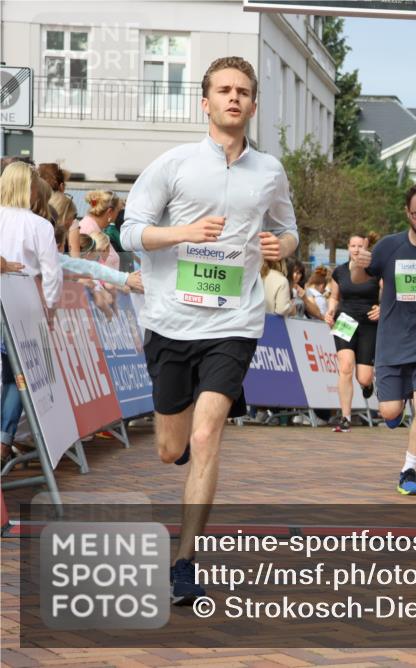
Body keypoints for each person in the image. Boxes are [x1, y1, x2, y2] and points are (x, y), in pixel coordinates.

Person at [120, 56, 298, 605]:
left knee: (206, 436)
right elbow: (129, 232)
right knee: (171, 447)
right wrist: (183, 233)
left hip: (235, 322)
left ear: (251, 103)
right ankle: (187, 456)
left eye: (244, 91)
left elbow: (289, 230)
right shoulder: (173, 165)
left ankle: (185, 560)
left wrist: (280, 246)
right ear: (206, 102)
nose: (234, 98)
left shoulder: (269, 171)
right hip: (172, 320)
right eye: (224, 90)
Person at [351, 182, 416, 496]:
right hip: (392, 340)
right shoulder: (388, 246)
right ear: (406, 213)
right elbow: (360, 280)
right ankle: (399, 407)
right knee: (390, 412)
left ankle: (408, 469)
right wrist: (358, 266)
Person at [0, 163, 64, 463]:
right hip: (22, 307)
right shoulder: (39, 226)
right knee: (17, 378)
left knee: (11, 377)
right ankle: (3, 439)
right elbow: (52, 274)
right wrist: (50, 309)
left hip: (12, 303)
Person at [325, 234, 380, 432]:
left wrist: (381, 308)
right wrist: (330, 311)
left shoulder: (375, 271)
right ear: (348, 247)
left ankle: (367, 386)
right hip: (345, 320)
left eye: (360, 246)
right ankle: (345, 417)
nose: (356, 249)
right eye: (353, 246)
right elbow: (334, 297)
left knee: (363, 377)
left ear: (366, 248)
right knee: (346, 367)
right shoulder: (339, 271)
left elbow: (388, 295)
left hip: (368, 323)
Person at [75, 190, 122, 270]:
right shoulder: (88, 230)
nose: (117, 215)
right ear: (110, 211)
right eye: (118, 211)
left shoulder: (93, 227)